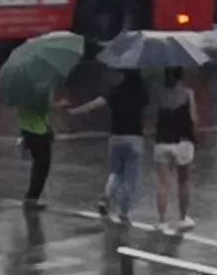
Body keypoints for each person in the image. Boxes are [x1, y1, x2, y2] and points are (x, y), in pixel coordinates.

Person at [67, 70, 148, 224]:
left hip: (116, 137)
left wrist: (76, 111)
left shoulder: (114, 90)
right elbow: (145, 109)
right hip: (134, 137)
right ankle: (123, 212)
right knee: (130, 178)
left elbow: (96, 103)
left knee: (115, 173)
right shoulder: (142, 93)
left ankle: (106, 197)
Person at [152, 67, 198, 232]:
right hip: (183, 143)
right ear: (181, 76)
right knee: (184, 182)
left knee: (163, 183)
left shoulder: (159, 94)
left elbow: (153, 116)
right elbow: (193, 119)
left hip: (162, 142)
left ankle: (162, 221)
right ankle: (183, 218)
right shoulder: (187, 94)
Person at [18, 99, 53, 209]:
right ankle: (31, 199)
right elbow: (43, 110)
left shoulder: (21, 97)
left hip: (29, 132)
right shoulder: (36, 95)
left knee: (38, 166)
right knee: (41, 167)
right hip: (39, 133)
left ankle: (31, 198)